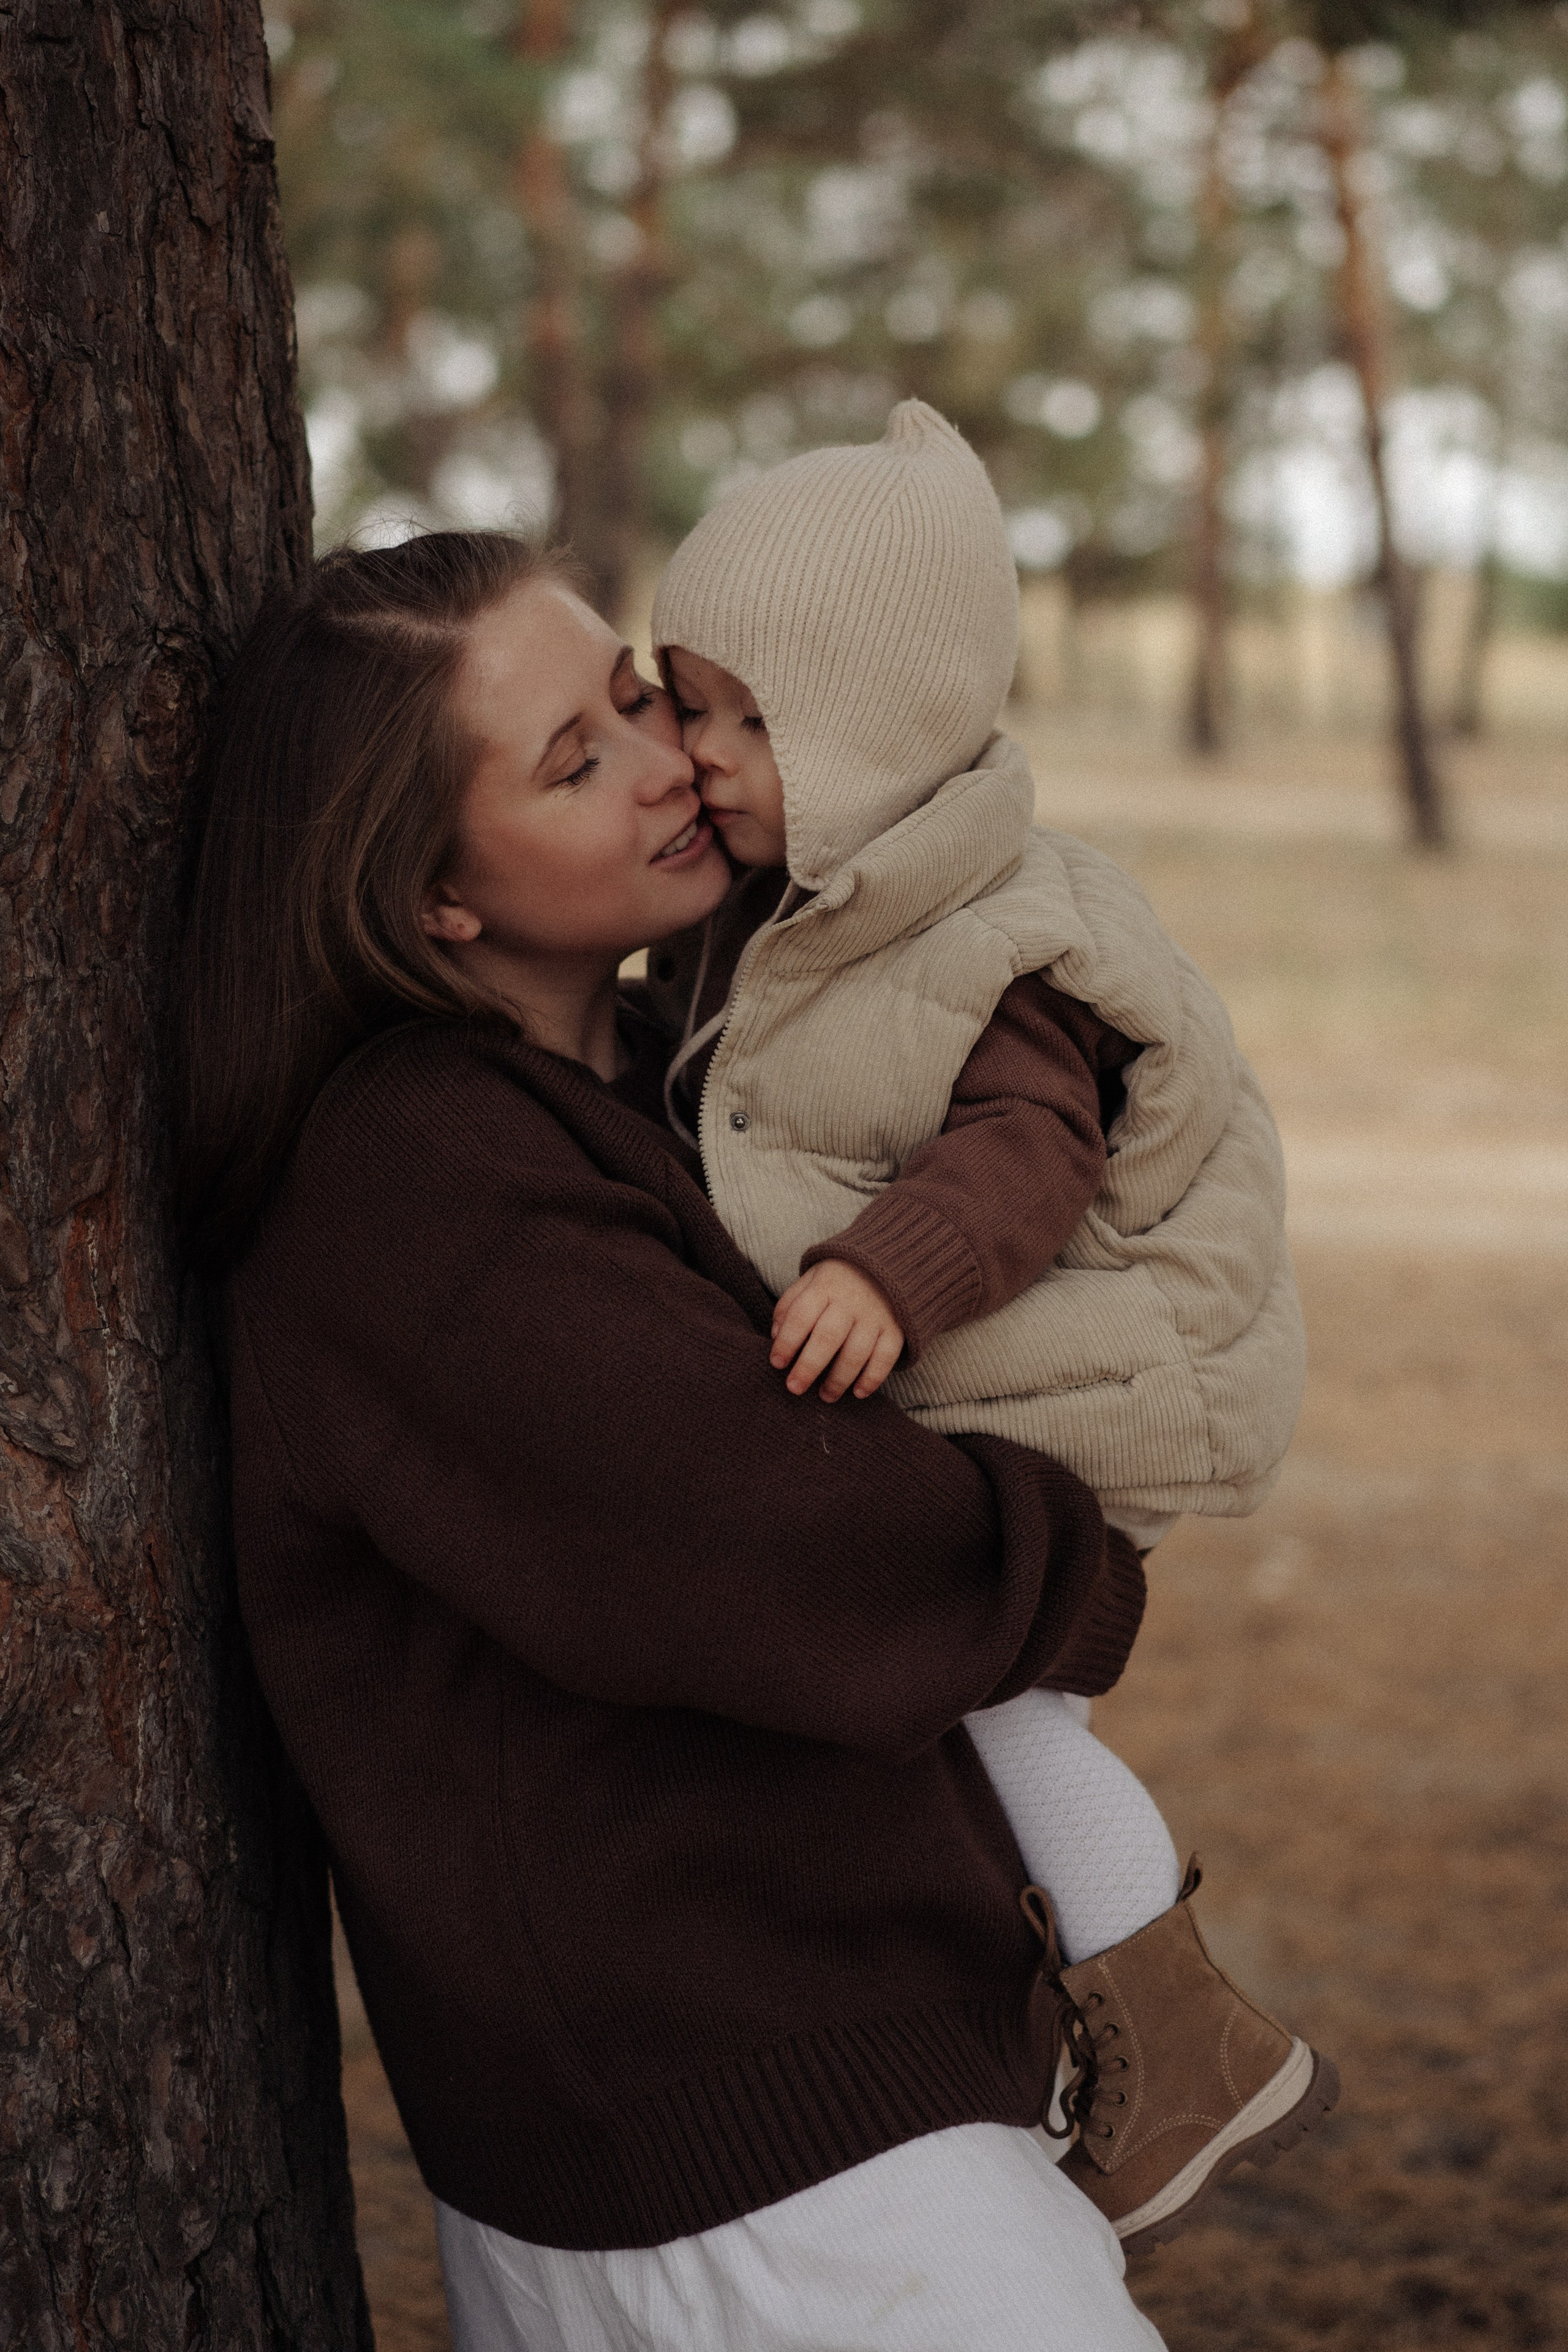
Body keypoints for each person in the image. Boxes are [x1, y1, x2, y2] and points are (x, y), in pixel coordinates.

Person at [178, 530, 1171, 2350]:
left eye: (635, 695)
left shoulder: (666, 1066)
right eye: (574, 760)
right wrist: (1075, 1562)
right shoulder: (413, 1187)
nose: (667, 761)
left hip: (840, 2108)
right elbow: (781, 1546)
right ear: (429, 907)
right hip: (739, 2175)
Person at [646, 401, 1338, 2253]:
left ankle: (1182, 2041)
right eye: (679, 702)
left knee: (999, 1715)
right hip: (968, 1400)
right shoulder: (800, 900)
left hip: (1066, 1399)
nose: (695, 753)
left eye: (737, 716)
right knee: (939, 1731)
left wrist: (890, 1274)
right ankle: (1053, 2024)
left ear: (861, 726)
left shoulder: (992, 928)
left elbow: (1033, 1152)